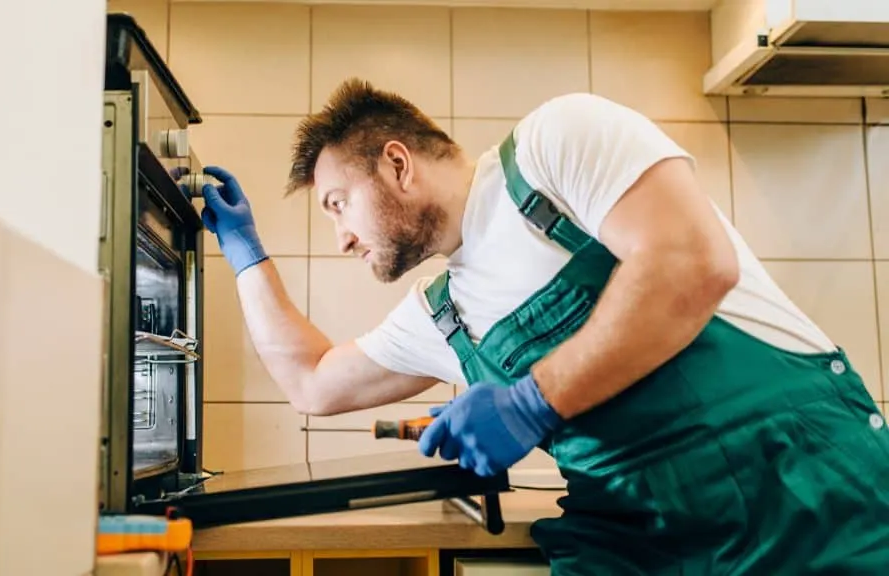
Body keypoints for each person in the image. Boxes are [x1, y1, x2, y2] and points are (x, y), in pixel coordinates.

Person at [195, 78, 889, 574]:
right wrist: (244, 254)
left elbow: (689, 263)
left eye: (339, 204)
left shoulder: (557, 144)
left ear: (397, 164)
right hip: (642, 548)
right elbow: (312, 382)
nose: (342, 237)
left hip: (805, 498)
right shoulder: (444, 313)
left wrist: (534, 401)